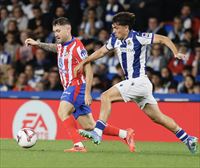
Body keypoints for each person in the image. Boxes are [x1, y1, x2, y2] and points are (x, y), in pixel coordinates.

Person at [74, 12, 198, 154]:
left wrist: (175, 52)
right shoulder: (115, 39)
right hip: (137, 85)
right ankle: (188, 139)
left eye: (116, 28)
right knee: (158, 118)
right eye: (113, 28)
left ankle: (97, 131)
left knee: (106, 96)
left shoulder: (138, 37)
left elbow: (163, 39)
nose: (114, 31)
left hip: (139, 81)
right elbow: (101, 52)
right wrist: (84, 61)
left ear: (126, 27)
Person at [25, 17, 135, 153]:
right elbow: (56, 48)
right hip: (71, 87)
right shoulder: (62, 45)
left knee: (62, 111)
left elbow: (89, 69)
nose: (56, 34)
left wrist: (88, 92)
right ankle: (125, 134)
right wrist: (38, 44)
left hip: (76, 86)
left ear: (68, 29)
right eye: (55, 31)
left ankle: (78, 145)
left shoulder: (77, 47)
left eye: (58, 31)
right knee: (89, 126)